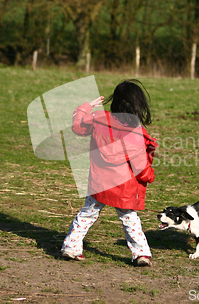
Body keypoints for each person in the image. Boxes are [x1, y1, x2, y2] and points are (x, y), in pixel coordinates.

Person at [61, 79, 158, 267]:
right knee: (130, 219)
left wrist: (86, 107)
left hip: (99, 184)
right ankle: (141, 254)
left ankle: (71, 247)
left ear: (116, 102)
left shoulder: (99, 119)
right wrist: (149, 176)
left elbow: (77, 126)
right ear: (138, 106)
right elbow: (140, 167)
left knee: (87, 214)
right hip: (124, 188)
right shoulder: (136, 132)